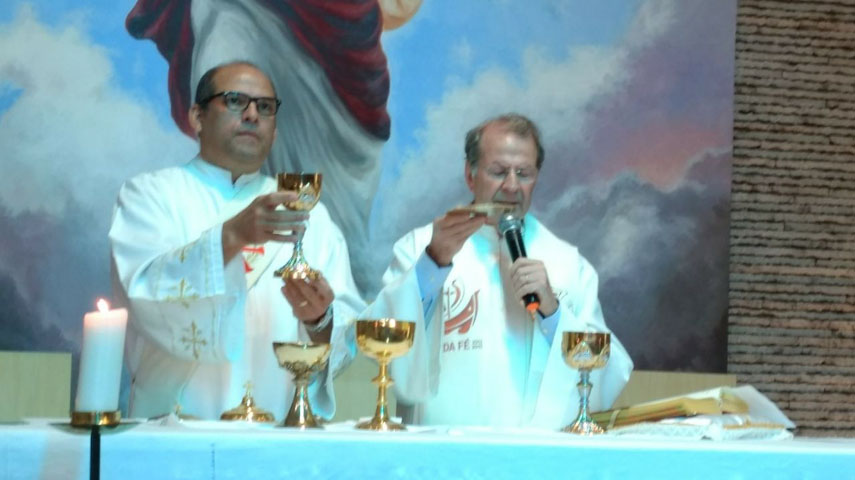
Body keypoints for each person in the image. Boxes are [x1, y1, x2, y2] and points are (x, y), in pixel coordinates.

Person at [109, 61, 364, 420]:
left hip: (275, 429)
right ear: (197, 117)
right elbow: (141, 292)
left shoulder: (309, 213)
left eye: (265, 107)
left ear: (275, 130)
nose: (251, 115)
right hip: (172, 430)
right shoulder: (150, 196)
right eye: (234, 101)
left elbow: (346, 332)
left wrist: (319, 321)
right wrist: (232, 236)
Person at [367, 114, 633, 428]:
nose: (511, 185)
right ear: (470, 175)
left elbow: (608, 371)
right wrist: (433, 264)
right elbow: (380, 339)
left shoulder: (567, 264)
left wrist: (552, 312)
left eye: (524, 173)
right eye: (498, 172)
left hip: (537, 450)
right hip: (442, 446)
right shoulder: (420, 248)